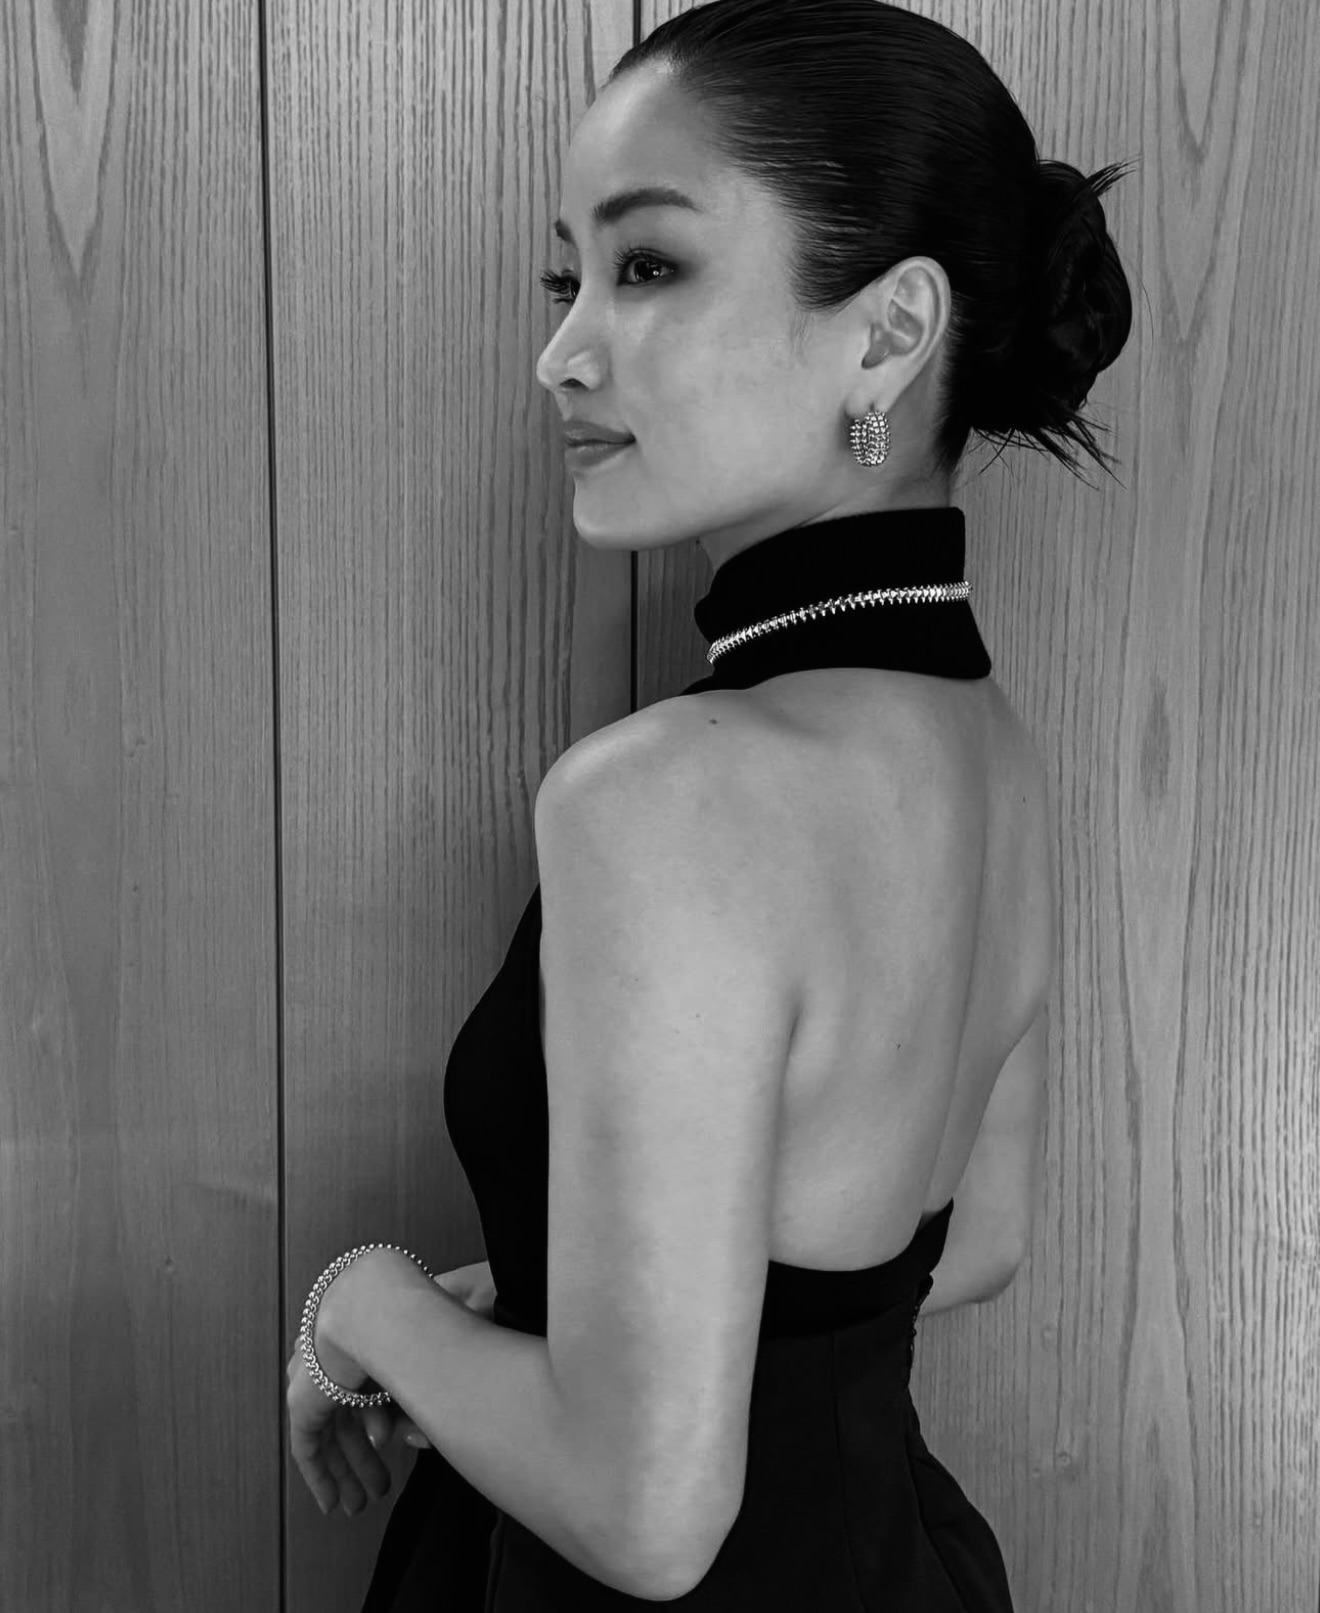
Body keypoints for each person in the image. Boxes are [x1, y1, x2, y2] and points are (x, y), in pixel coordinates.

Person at [285, 1, 1135, 1606]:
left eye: (651, 265)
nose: (565, 351)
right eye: (570, 279)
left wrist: (367, 1303)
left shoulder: (667, 799)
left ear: (888, 332)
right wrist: (575, 1298)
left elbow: (646, 1514)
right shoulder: (994, 752)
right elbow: (974, 1237)